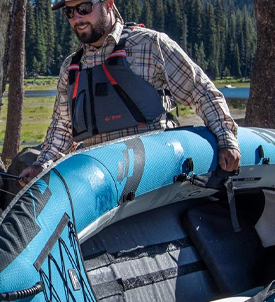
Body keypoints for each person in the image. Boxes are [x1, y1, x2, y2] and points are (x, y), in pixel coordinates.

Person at [19, 0, 240, 185]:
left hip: (156, 172)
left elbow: (202, 92)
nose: (77, 17)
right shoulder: (71, 67)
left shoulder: (150, 44)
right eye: (70, 11)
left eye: (84, 8)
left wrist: (226, 139)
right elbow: (62, 128)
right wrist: (41, 165)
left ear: (108, 3)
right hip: (101, 178)